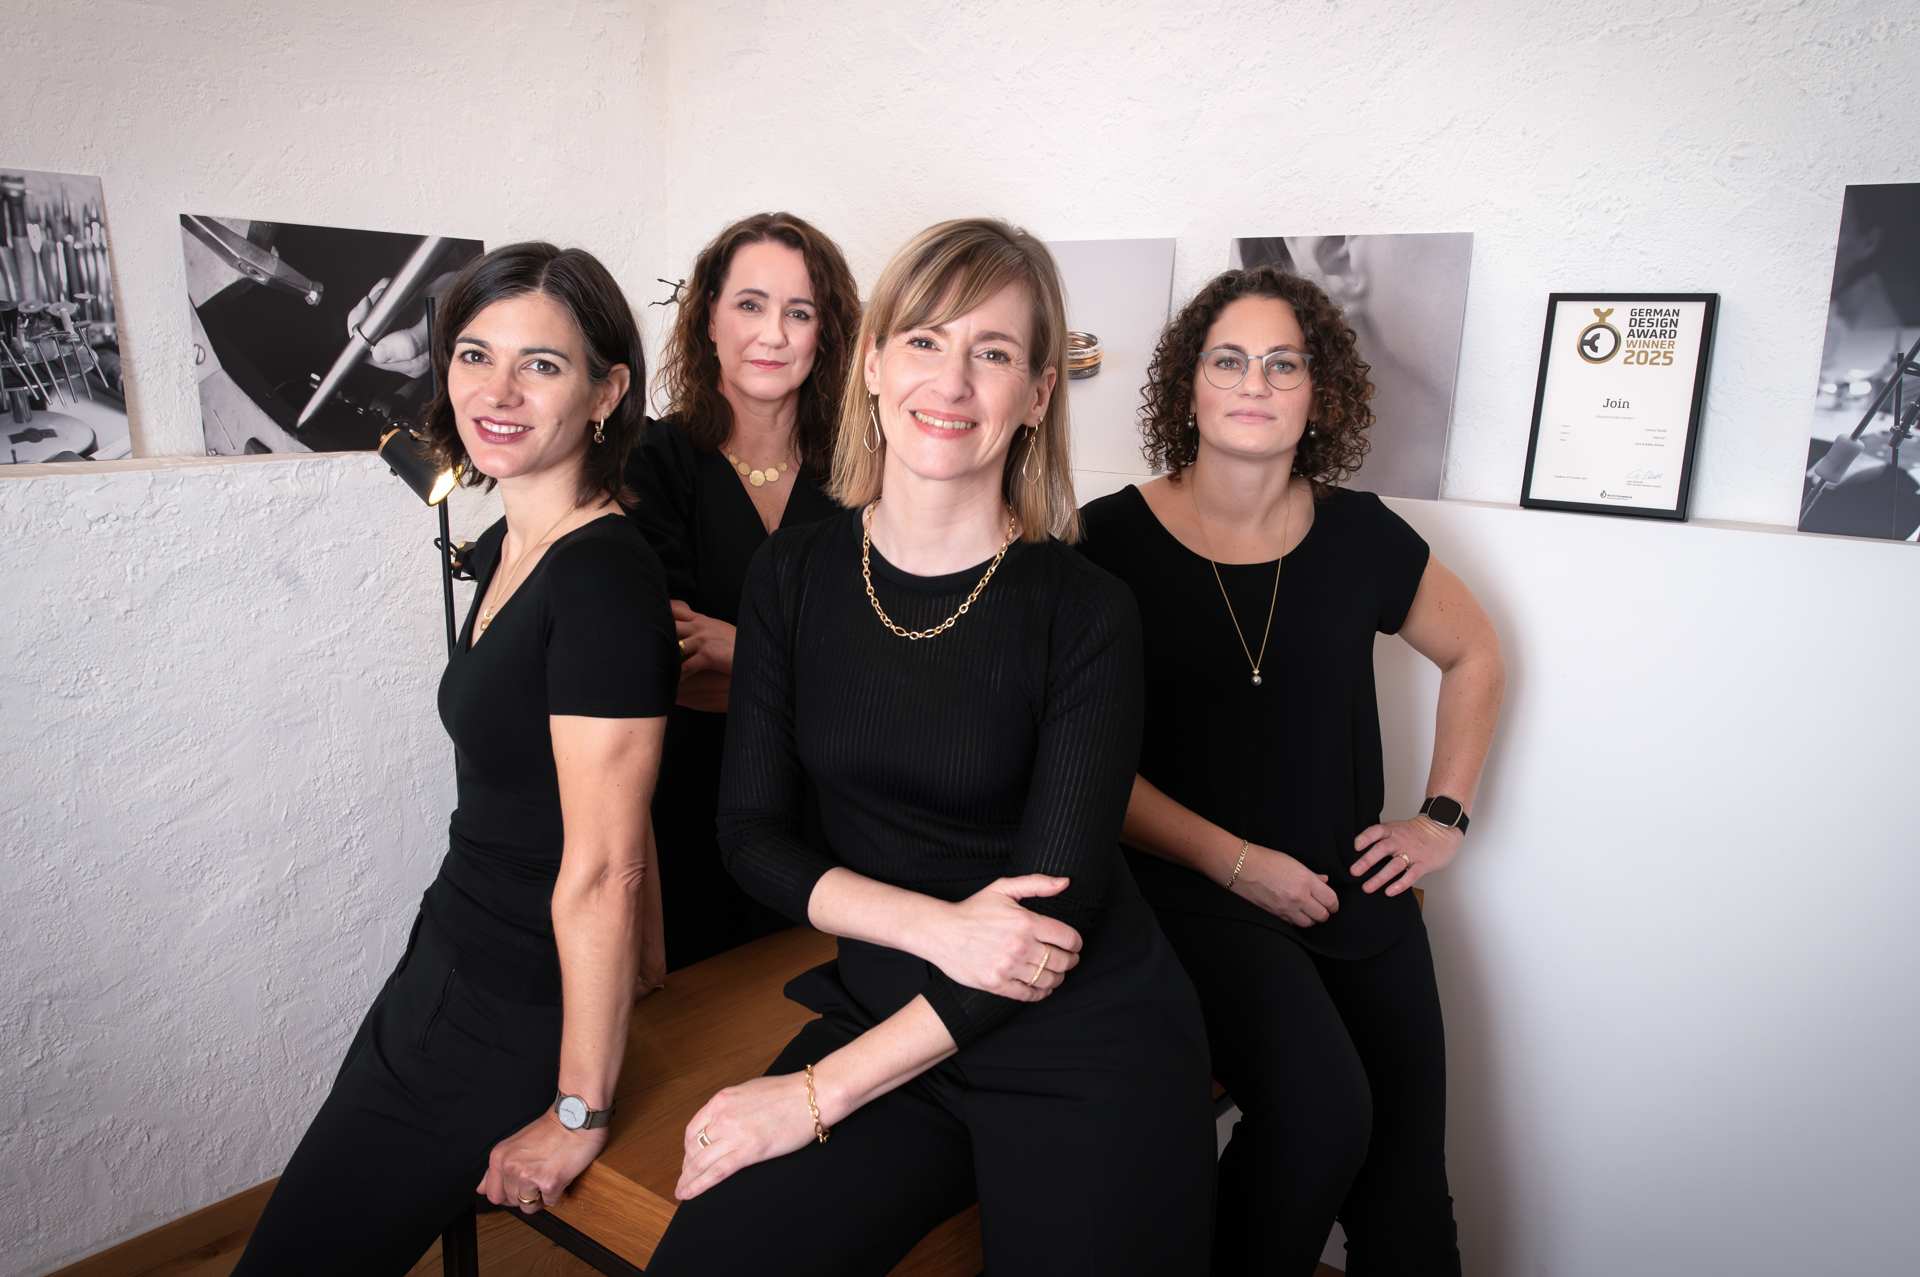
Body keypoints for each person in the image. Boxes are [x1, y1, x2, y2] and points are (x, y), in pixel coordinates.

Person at [643, 219, 1217, 1277]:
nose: (951, 381)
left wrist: (813, 1095)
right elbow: (751, 835)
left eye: (991, 352)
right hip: (890, 1010)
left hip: (1077, 1035)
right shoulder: (793, 575)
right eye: (924, 340)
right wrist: (935, 929)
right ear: (871, 363)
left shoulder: (1086, 609)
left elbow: (1045, 926)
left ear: (1037, 395)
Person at [232, 243, 680, 1275]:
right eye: (475, 354)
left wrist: (578, 1107)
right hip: (449, 954)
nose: (497, 391)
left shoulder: (601, 580)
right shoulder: (511, 543)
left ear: (608, 391)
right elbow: (594, 790)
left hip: (508, 1002)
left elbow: (605, 863)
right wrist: (651, 952)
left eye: (542, 365)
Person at [1078, 264, 1506, 1276]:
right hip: (1188, 891)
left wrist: (1441, 816)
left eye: (1284, 363)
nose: (1255, 383)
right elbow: (1081, 763)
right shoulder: (1103, 541)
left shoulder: (1362, 535)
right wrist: (1238, 863)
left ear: (1320, 393)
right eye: (1229, 360)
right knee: (1319, 1120)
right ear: (1188, 384)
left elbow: (1476, 654)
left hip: (1351, 886)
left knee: (1411, 1200)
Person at [626, 212, 859, 971]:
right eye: (751, 305)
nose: (773, 334)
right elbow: (671, 666)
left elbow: (897, 667)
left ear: (827, 333)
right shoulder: (652, 461)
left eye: (800, 312)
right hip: (688, 812)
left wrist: (741, 648)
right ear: (709, 318)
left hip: (837, 817)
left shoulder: (865, 478)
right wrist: (822, 675)